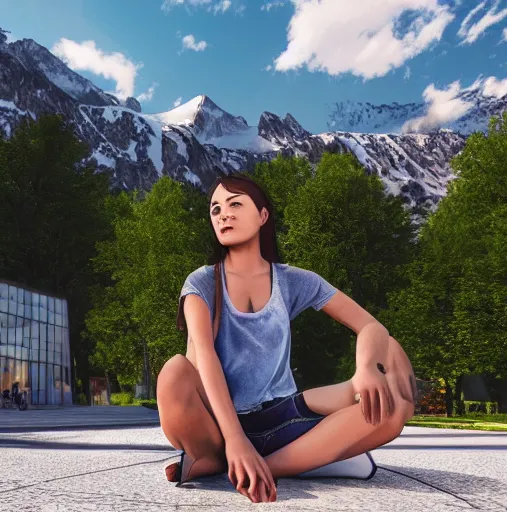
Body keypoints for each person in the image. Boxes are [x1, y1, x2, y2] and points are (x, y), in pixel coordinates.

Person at [157, 173, 417, 503]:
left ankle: (264, 465)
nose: (224, 213)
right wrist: (236, 440)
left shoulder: (292, 280)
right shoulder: (202, 282)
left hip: (282, 414)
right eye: (216, 208)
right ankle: (304, 456)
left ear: (263, 216)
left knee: (394, 382)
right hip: (220, 425)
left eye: (235, 204)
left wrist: (366, 368)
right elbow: (205, 357)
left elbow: (372, 327)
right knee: (174, 372)